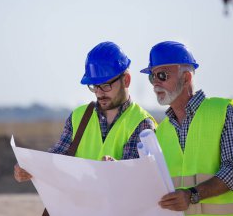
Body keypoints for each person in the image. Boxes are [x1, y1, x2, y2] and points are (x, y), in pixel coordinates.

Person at [140, 41, 233, 215]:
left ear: (186, 77)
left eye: (162, 75)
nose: (155, 83)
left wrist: (192, 195)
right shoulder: (162, 132)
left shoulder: (224, 112)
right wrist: (117, 168)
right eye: (152, 76)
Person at [14, 41, 156, 182]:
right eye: (95, 86)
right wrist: (32, 167)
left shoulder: (142, 123)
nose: (99, 93)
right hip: (80, 204)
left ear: (126, 80)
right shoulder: (78, 117)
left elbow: (135, 181)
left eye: (106, 85)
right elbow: (57, 157)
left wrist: (117, 170)